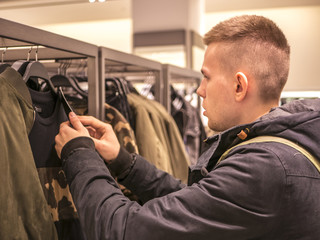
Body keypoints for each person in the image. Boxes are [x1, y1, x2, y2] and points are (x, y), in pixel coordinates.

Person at [55, 15, 320, 240]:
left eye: (206, 77)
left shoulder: (264, 167)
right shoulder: (281, 149)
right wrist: (124, 162)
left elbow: (122, 229)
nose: (199, 90)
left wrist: (79, 153)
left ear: (239, 86)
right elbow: (197, 203)